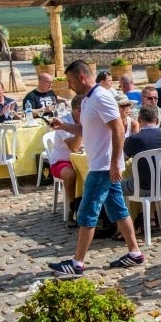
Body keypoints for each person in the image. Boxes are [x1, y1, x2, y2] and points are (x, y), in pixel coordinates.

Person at [47, 60, 146, 277]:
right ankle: (135, 252)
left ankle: (77, 263)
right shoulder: (87, 100)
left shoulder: (101, 97)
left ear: (82, 77)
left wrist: (113, 164)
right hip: (100, 164)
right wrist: (63, 126)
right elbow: (85, 128)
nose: (70, 86)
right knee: (118, 209)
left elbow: (118, 130)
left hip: (103, 166)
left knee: (87, 211)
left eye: (71, 81)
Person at [122, 103, 161, 197]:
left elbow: (120, 161)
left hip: (140, 188)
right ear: (157, 120)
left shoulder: (133, 139)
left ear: (139, 119)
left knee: (112, 188)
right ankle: (154, 212)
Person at [45, 99, 83, 213]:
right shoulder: (63, 122)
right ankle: (74, 208)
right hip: (62, 161)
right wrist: (82, 126)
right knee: (70, 174)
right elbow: (74, 147)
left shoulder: (91, 120)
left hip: (83, 159)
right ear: (78, 110)